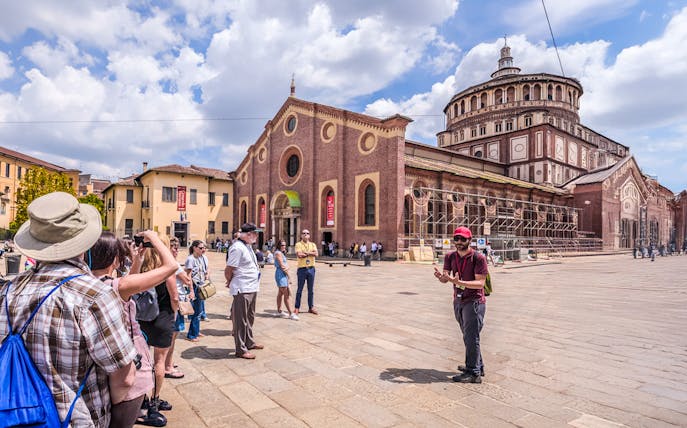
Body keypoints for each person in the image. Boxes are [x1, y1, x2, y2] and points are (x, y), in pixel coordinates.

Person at [0, 192, 136, 426]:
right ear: (83, 241)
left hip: (15, 415)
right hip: (74, 420)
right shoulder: (94, 295)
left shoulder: (8, 290)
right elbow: (124, 378)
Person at [90, 230, 177, 427]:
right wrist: (154, 238)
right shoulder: (119, 286)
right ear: (114, 258)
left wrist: (138, 259)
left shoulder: (87, 282)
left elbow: (129, 282)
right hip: (127, 360)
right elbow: (171, 266)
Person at [434, 226, 488, 384]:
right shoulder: (450, 256)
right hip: (458, 300)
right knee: (469, 336)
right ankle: (478, 365)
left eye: (462, 239)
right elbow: (446, 278)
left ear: (469, 240)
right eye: (456, 239)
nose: (458, 242)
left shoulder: (478, 258)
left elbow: (480, 283)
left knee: (472, 337)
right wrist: (441, 278)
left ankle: (473, 373)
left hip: (474, 302)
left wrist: (459, 282)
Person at [137, 233, 180, 416]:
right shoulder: (165, 270)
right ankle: (154, 399)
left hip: (142, 319)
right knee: (159, 362)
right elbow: (175, 297)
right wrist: (176, 311)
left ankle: (142, 399)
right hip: (162, 318)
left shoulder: (141, 269)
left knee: (142, 361)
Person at [225, 223, 264, 359]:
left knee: (250, 317)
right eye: (254, 233)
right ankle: (240, 349)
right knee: (240, 320)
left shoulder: (247, 246)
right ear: (248, 234)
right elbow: (229, 268)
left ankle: (249, 341)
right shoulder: (237, 248)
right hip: (242, 288)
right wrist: (229, 281)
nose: (256, 236)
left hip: (252, 286)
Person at [164, 236, 193, 381]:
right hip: (176, 303)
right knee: (172, 337)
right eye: (174, 247)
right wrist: (190, 273)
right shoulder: (173, 264)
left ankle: (167, 361)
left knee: (172, 337)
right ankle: (167, 366)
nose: (176, 250)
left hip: (171, 303)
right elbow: (186, 280)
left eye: (177, 247)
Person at [184, 240, 208, 341]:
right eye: (201, 248)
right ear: (194, 248)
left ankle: (196, 331)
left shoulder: (202, 258)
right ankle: (191, 335)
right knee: (195, 312)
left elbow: (205, 270)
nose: (203, 250)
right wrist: (191, 290)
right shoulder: (191, 259)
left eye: (203, 248)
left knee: (199, 311)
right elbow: (188, 275)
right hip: (194, 287)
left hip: (201, 287)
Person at [294, 229, 319, 315]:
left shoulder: (313, 244)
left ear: (309, 235)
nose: (305, 234)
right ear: (301, 235)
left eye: (307, 233)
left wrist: (306, 253)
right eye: (303, 233)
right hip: (302, 269)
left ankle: (311, 307)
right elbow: (299, 255)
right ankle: (297, 308)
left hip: (311, 268)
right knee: (299, 290)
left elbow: (316, 254)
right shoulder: (298, 244)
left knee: (311, 290)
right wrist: (310, 253)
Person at [274, 240, 298, 320]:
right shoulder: (278, 253)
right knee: (286, 294)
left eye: (285, 245)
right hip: (281, 275)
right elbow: (282, 266)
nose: (284, 246)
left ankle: (279, 311)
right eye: (282, 245)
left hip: (282, 274)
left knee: (280, 293)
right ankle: (291, 313)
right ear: (279, 246)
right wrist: (289, 276)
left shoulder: (280, 253)